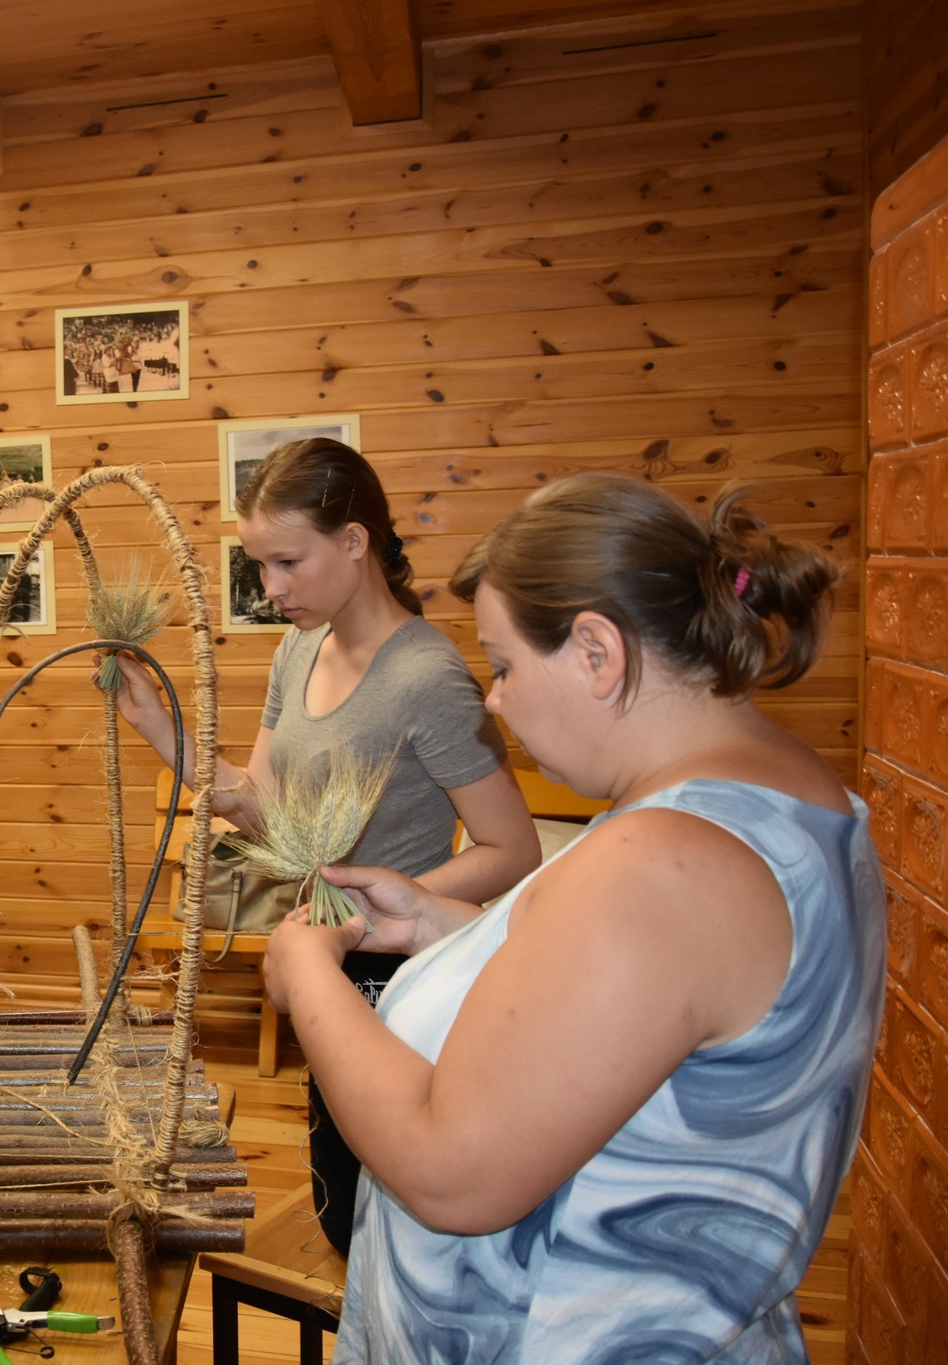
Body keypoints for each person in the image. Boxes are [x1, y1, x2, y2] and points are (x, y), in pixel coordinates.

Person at [267, 474, 883, 1361]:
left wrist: (310, 976)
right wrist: (449, 926)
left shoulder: (663, 867)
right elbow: (627, 1013)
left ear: (597, 650)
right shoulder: (780, 792)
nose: (495, 699)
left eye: (508, 665)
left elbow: (453, 1170)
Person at [114, 437, 539, 1253]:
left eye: (287, 563)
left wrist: (392, 899)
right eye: (259, 566)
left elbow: (512, 849)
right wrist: (161, 730)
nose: (271, 589)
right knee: (341, 1202)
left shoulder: (428, 678)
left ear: (354, 542)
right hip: (326, 959)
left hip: (402, 974)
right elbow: (266, 814)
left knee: (387, 1214)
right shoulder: (298, 651)